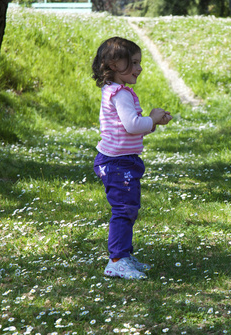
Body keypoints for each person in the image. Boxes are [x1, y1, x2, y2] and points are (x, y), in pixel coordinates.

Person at [91, 37, 172, 279]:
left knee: (128, 208)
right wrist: (153, 118)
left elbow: (130, 127)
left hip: (119, 161)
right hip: (117, 163)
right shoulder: (121, 94)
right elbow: (132, 124)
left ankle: (123, 255)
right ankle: (116, 260)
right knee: (124, 210)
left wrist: (152, 124)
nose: (140, 68)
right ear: (114, 64)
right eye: (134, 62)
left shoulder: (116, 91)